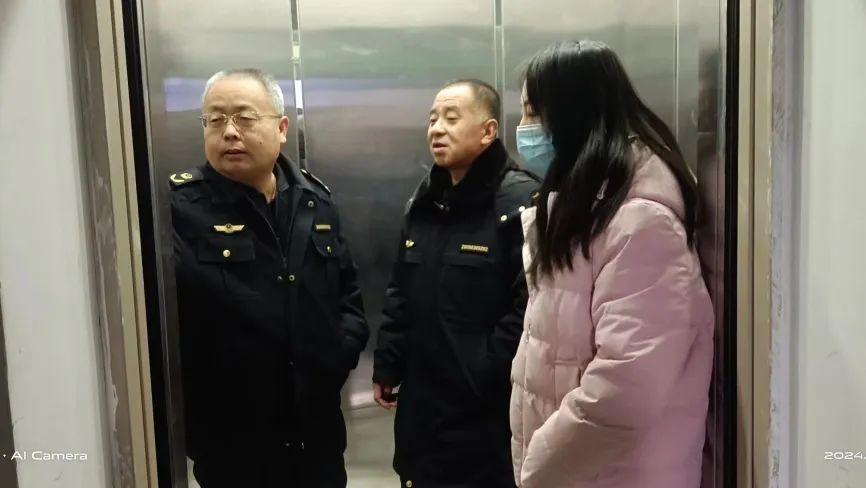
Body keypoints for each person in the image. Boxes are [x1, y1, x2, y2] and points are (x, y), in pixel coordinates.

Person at [510, 40, 714, 487]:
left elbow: (626, 385)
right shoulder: (582, 209)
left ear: (572, 112)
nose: (523, 128)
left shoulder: (641, 223)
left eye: (532, 112)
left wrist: (542, 467)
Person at [170, 68, 368, 487]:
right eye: (215, 120)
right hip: (233, 446)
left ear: (281, 128)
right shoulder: (178, 210)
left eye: (244, 118)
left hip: (317, 437)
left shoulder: (315, 202)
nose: (229, 132)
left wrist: (336, 356)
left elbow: (347, 296)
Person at [373, 79, 540, 487]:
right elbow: (401, 288)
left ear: (488, 131)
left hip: (487, 410)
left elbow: (531, 305)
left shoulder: (519, 202)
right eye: (432, 119)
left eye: (451, 118)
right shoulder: (424, 201)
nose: (437, 129)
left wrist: (484, 369)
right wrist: (388, 361)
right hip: (423, 404)